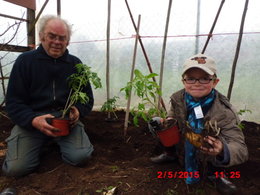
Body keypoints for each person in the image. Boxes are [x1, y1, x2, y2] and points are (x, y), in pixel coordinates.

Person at [2, 15, 94, 177]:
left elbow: (87, 98)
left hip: (65, 121)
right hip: (33, 120)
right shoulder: (25, 62)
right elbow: (14, 102)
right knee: (16, 169)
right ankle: (40, 141)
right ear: (42, 36)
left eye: (62, 38)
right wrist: (32, 120)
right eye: (52, 36)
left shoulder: (75, 64)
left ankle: (56, 141)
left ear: (68, 41)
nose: (57, 42)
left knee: (80, 157)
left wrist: (78, 110)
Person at [150, 53, 248, 194]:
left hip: (208, 153)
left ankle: (215, 174)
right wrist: (169, 121)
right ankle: (171, 153)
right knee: (157, 123)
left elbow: (240, 148)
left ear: (215, 82)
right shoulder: (178, 98)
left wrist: (222, 150)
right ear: (183, 81)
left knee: (216, 143)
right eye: (190, 79)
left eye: (204, 79)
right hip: (185, 142)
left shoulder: (223, 111)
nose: (196, 83)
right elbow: (172, 114)